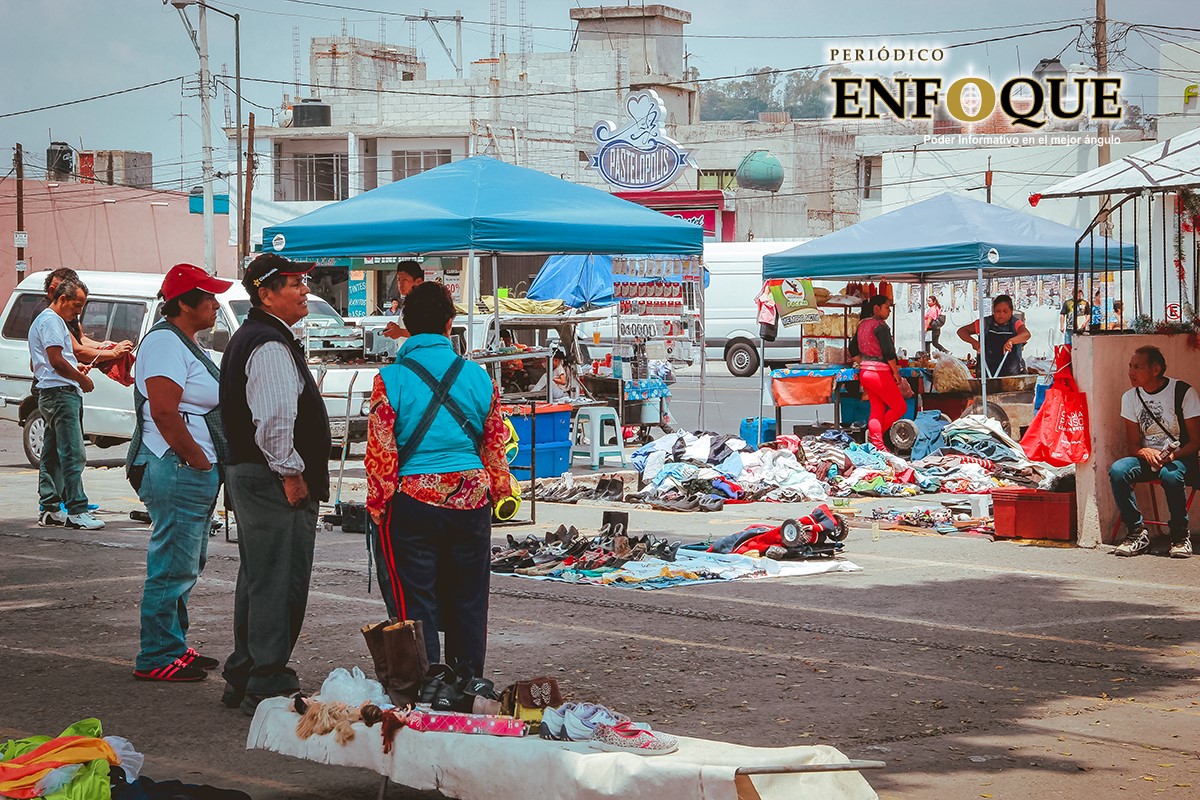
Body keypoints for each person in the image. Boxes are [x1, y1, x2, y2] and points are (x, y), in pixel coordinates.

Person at [365, 281, 511, 680]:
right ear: (451, 324)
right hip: (471, 500)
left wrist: (378, 504)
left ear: (406, 325)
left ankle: (425, 686)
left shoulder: (389, 379)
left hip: (412, 502)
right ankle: (468, 683)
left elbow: (381, 451)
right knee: (469, 599)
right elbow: (495, 445)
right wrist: (498, 490)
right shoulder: (480, 378)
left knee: (416, 600)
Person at [218, 253, 332, 715]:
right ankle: (266, 678)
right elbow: (274, 422)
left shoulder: (259, 338)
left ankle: (246, 671)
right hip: (271, 478)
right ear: (265, 293)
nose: (304, 289)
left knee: (260, 576)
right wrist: (290, 474)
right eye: (292, 283)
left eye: (302, 282)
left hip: (256, 475)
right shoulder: (266, 344)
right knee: (278, 579)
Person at [129, 264, 233, 683]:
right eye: (207, 296)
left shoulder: (185, 343)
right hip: (176, 467)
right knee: (173, 563)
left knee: (185, 562)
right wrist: (198, 460)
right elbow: (164, 411)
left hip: (185, 467)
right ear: (184, 303)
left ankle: (172, 643)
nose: (214, 303)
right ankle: (156, 654)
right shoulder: (165, 344)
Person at [1110, 346, 1200, 558]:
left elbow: (1196, 442)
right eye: (1130, 366)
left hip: (1180, 459)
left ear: (1156, 369)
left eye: (1137, 367)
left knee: (1170, 475)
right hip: (1149, 459)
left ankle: (1179, 536)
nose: (1131, 372)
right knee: (1118, 470)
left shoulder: (1183, 392)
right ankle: (1136, 532)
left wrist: (1173, 455)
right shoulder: (1130, 398)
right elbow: (1132, 445)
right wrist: (1145, 452)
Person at [29, 278, 103, 530]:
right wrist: (80, 378)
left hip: (51, 391)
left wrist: (73, 368)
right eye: (76, 305)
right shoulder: (51, 321)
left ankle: (50, 507)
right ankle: (76, 509)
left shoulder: (46, 320)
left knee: (51, 452)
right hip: (61, 393)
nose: (78, 311)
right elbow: (56, 359)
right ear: (62, 299)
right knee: (73, 452)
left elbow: (47, 361)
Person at [848, 295, 907, 452]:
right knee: (900, 407)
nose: (889, 311)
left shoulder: (862, 325)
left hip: (865, 373)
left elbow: (852, 349)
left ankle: (877, 446)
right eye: (887, 307)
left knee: (877, 409)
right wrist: (896, 373)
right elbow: (889, 352)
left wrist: (864, 363)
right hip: (879, 373)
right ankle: (876, 439)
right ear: (876, 308)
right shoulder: (881, 326)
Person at [957, 294, 1030, 378]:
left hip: (1011, 373)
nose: (1001, 314)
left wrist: (1011, 341)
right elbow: (962, 331)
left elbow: (1026, 334)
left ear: (1011, 311)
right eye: (998, 311)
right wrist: (974, 343)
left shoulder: (1016, 323)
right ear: (993, 311)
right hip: (986, 372)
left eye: (1005, 311)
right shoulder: (984, 323)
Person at [382, 261, 425, 340]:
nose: (400, 284)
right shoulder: (408, 303)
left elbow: (427, 334)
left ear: (418, 282)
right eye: (398, 280)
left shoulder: (425, 303)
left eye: (405, 280)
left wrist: (400, 332)